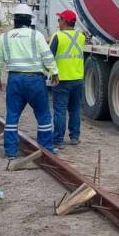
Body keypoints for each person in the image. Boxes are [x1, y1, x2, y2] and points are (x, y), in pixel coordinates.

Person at [0, 3, 59, 158]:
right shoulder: (37, 36)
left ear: (15, 20)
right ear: (30, 20)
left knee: (12, 115)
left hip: (14, 79)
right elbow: (47, 56)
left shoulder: (5, 37)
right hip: (35, 80)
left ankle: (10, 151)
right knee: (43, 115)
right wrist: (54, 72)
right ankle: (46, 148)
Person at [49, 9, 86, 147]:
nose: (58, 22)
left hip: (61, 79)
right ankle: (75, 137)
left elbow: (49, 57)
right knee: (75, 109)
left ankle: (58, 140)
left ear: (64, 21)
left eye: (59, 19)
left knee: (60, 110)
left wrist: (50, 73)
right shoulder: (80, 36)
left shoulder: (57, 36)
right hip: (77, 78)